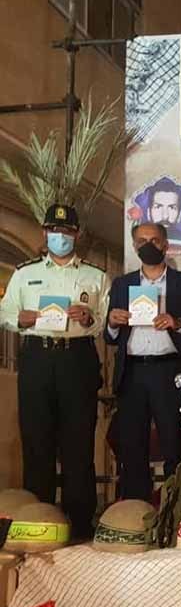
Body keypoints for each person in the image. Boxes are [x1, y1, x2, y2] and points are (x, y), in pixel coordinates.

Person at [0, 204, 109, 538]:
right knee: (37, 441)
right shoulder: (24, 273)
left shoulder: (96, 276)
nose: (60, 236)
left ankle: (80, 523)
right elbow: (5, 313)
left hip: (77, 359)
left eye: (66, 231)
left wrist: (89, 319)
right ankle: (38, 519)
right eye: (54, 230)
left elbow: (106, 322)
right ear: (45, 233)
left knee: (79, 443)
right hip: (37, 358)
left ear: (77, 234)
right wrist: (21, 319)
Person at [105, 223, 181, 501]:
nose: (148, 245)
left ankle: (175, 507)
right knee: (132, 448)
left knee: (173, 446)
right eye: (142, 241)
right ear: (134, 246)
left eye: (154, 240)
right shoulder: (122, 284)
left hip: (170, 371)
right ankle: (136, 510)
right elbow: (109, 336)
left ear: (165, 245)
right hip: (132, 373)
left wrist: (178, 322)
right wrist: (112, 322)